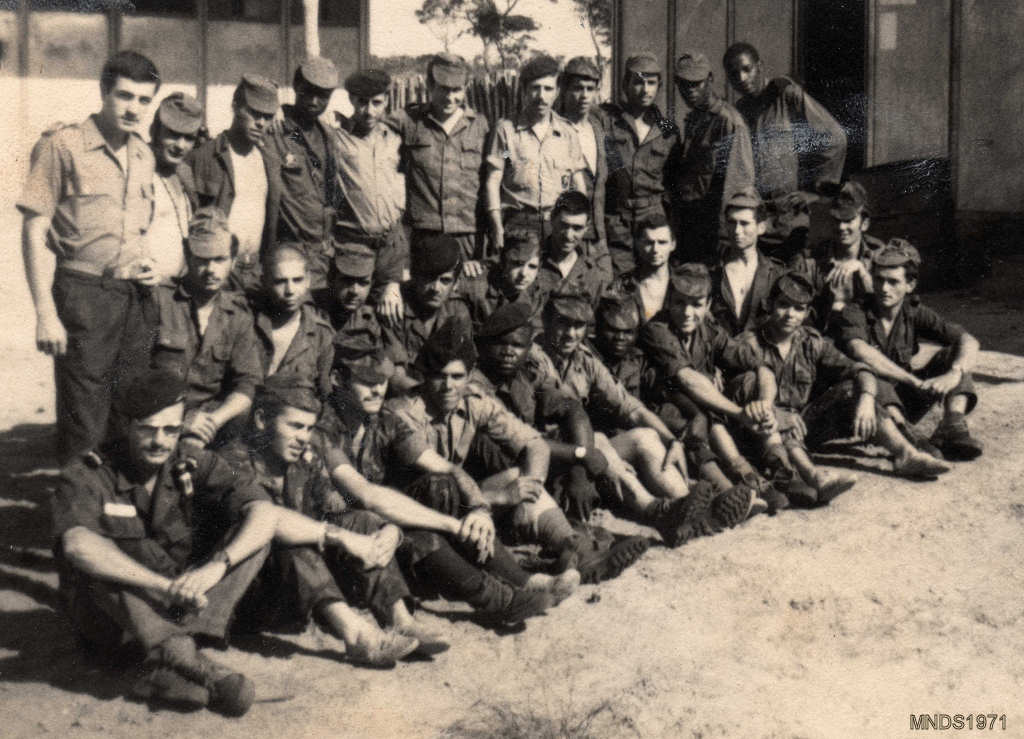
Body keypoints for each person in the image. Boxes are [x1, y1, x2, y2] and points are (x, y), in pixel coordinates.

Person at [52, 370, 273, 716]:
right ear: (125, 425)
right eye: (148, 429)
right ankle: (185, 658)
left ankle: (167, 666)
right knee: (100, 560)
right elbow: (77, 545)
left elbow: (264, 511)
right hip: (115, 620)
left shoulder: (189, 460)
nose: (160, 441)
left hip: (183, 602)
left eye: (171, 430)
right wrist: (163, 586)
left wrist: (216, 568)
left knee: (252, 538)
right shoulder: (88, 472)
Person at [320, 333, 571, 625]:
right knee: (422, 536)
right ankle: (500, 600)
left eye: (382, 381)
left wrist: (479, 509)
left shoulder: (383, 421)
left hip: (383, 527)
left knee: (442, 486)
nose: (377, 390)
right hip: (338, 539)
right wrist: (451, 523)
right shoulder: (323, 429)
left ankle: (520, 581)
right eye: (366, 381)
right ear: (337, 379)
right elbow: (366, 496)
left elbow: (448, 469)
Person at [221, 377, 443, 663]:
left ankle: (400, 620)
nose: (303, 437)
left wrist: (387, 528)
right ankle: (358, 637)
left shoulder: (304, 458)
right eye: (295, 426)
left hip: (299, 586)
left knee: (363, 522)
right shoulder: (234, 461)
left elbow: (336, 507)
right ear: (262, 420)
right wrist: (340, 537)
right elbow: (272, 522)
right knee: (291, 541)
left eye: (309, 428)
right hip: (247, 595)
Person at [18, 50, 161, 465]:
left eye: (144, 100)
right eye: (125, 96)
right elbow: (34, 230)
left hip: (133, 297)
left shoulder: (144, 154)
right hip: (83, 294)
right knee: (84, 417)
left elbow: (136, 229)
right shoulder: (63, 146)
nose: (134, 109)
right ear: (103, 91)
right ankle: (78, 505)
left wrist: (147, 263)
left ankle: (116, 502)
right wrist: (45, 313)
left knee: (128, 409)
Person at [735, 272, 951, 507]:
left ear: (807, 313)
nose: (790, 314)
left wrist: (866, 398)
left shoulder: (810, 341)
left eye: (799, 309)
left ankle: (905, 454)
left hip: (803, 424)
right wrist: (776, 413)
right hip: (761, 431)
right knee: (759, 394)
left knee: (853, 388)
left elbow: (860, 370)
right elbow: (736, 393)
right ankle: (814, 476)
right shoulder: (746, 344)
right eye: (783, 305)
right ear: (769, 305)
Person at [471, 302, 651, 579]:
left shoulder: (525, 375)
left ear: (527, 349)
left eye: (518, 345)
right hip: (490, 487)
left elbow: (571, 408)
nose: (509, 352)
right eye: (500, 344)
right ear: (483, 347)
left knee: (591, 445)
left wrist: (580, 470)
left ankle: (651, 513)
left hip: (531, 469)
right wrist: (580, 455)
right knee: (527, 477)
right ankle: (581, 550)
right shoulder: (475, 387)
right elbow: (517, 447)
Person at [637, 263, 779, 504]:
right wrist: (739, 413)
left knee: (750, 381)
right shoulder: (657, 329)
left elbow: (762, 366)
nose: (687, 312)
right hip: (665, 412)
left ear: (708, 305)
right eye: (679, 302)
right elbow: (687, 380)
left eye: (696, 304)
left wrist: (765, 405)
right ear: (668, 301)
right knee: (700, 415)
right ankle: (731, 489)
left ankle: (765, 472)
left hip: (705, 414)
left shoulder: (709, 330)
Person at [834, 240, 983, 461]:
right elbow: (861, 351)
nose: (884, 288)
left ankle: (952, 424)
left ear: (910, 285)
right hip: (866, 404)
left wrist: (954, 373)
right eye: (879, 279)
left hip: (902, 399)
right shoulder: (855, 311)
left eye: (893, 282)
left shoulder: (913, 311)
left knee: (954, 357)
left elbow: (968, 340)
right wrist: (914, 382)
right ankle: (908, 437)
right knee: (873, 373)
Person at [150, 208, 262, 449]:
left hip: (207, 427)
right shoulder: (159, 301)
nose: (211, 269)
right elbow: (132, 375)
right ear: (187, 255)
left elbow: (247, 382)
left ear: (233, 260)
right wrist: (180, 420)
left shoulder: (238, 316)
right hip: (155, 419)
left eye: (220, 259)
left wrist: (213, 421)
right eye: (202, 259)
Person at [389, 53, 491, 276]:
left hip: (466, 235)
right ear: (429, 85)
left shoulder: (481, 126)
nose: (449, 97)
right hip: (424, 235)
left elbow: (500, 164)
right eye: (443, 89)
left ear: (466, 88)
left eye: (456, 90)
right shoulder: (408, 121)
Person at [187, 74, 283, 292]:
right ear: (235, 106)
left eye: (268, 117)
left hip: (257, 272)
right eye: (254, 113)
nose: (261, 123)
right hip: (216, 272)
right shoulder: (204, 158)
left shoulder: (270, 161)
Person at [485, 55, 588, 250]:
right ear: (524, 90)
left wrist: (579, 223)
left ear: (557, 92)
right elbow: (494, 180)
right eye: (535, 88)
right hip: (517, 224)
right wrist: (497, 227)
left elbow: (578, 182)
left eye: (548, 89)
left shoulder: (567, 134)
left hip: (557, 225)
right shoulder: (507, 131)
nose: (541, 96)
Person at [723, 41, 847, 199]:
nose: (742, 78)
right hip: (756, 205)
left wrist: (814, 192)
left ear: (759, 66)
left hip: (790, 204)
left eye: (747, 69)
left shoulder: (786, 94)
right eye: (734, 74)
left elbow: (835, 139)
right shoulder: (738, 112)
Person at [332, 69, 407, 324]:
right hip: (354, 245)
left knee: (390, 316)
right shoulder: (336, 137)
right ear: (351, 100)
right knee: (352, 317)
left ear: (386, 100)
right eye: (362, 102)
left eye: (377, 102)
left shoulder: (394, 138)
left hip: (390, 245)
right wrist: (283, 121)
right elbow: (298, 137)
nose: (369, 111)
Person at [264, 57, 343, 289]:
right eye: (308, 92)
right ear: (296, 86)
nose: (314, 101)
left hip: (321, 254)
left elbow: (330, 193)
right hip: (287, 253)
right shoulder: (278, 129)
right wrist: (272, 110)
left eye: (323, 96)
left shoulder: (327, 136)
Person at [672, 51, 755, 266]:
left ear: (710, 79)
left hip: (714, 236)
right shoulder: (694, 118)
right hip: (689, 229)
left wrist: (726, 240)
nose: (690, 90)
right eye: (684, 84)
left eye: (696, 83)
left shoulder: (728, 122)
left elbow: (738, 186)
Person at [602, 53, 681, 276]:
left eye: (651, 83)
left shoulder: (668, 129)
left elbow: (674, 181)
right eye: (638, 82)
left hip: (653, 217)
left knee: (653, 275)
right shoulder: (608, 123)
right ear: (625, 85)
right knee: (621, 276)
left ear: (659, 87)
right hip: (617, 218)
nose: (645, 89)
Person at [789, 180, 884, 336]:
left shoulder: (880, 258)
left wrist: (864, 275)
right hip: (822, 339)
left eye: (848, 220)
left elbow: (893, 311)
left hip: (870, 339)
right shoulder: (809, 261)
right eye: (836, 220)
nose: (841, 227)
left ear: (864, 223)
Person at [381, 233, 473, 393]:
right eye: (429, 278)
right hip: (407, 394)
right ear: (414, 276)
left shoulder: (457, 311)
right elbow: (395, 377)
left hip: (444, 391)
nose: (436, 288)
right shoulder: (395, 306)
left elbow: (466, 366)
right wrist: (432, 396)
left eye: (445, 280)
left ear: (456, 284)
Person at [251, 244, 334, 399]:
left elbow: (325, 392)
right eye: (280, 281)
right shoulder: (246, 324)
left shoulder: (321, 334)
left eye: (297, 280)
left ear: (308, 280)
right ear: (264, 282)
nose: (290, 290)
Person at [557, 56, 613, 284]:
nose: (584, 96)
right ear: (564, 89)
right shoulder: (552, 128)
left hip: (598, 237)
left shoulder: (598, 127)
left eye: (590, 89)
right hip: (565, 238)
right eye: (577, 88)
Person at [711, 188, 785, 336]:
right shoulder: (712, 272)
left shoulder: (777, 275)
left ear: (761, 227)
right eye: (732, 222)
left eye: (744, 223)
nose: (737, 231)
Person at [146, 92, 203, 283]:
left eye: (189, 138)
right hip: (147, 288)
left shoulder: (184, 172)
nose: (181, 145)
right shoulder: (139, 170)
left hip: (179, 288)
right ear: (154, 131)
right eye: (173, 134)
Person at [457, 231, 547, 334]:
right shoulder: (475, 287)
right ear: (503, 262)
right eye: (517, 264)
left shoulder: (535, 293)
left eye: (532, 266)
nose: (524, 273)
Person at [534, 191, 609, 306]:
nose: (569, 235)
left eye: (577, 228)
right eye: (563, 225)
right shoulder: (531, 262)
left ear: (586, 228)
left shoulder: (592, 273)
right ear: (552, 219)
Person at [607, 212, 677, 323]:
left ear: (672, 245)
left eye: (662, 242)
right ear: (638, 244)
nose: (655, 249)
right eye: (649, 243)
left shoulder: (682, 282)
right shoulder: (621, 285)